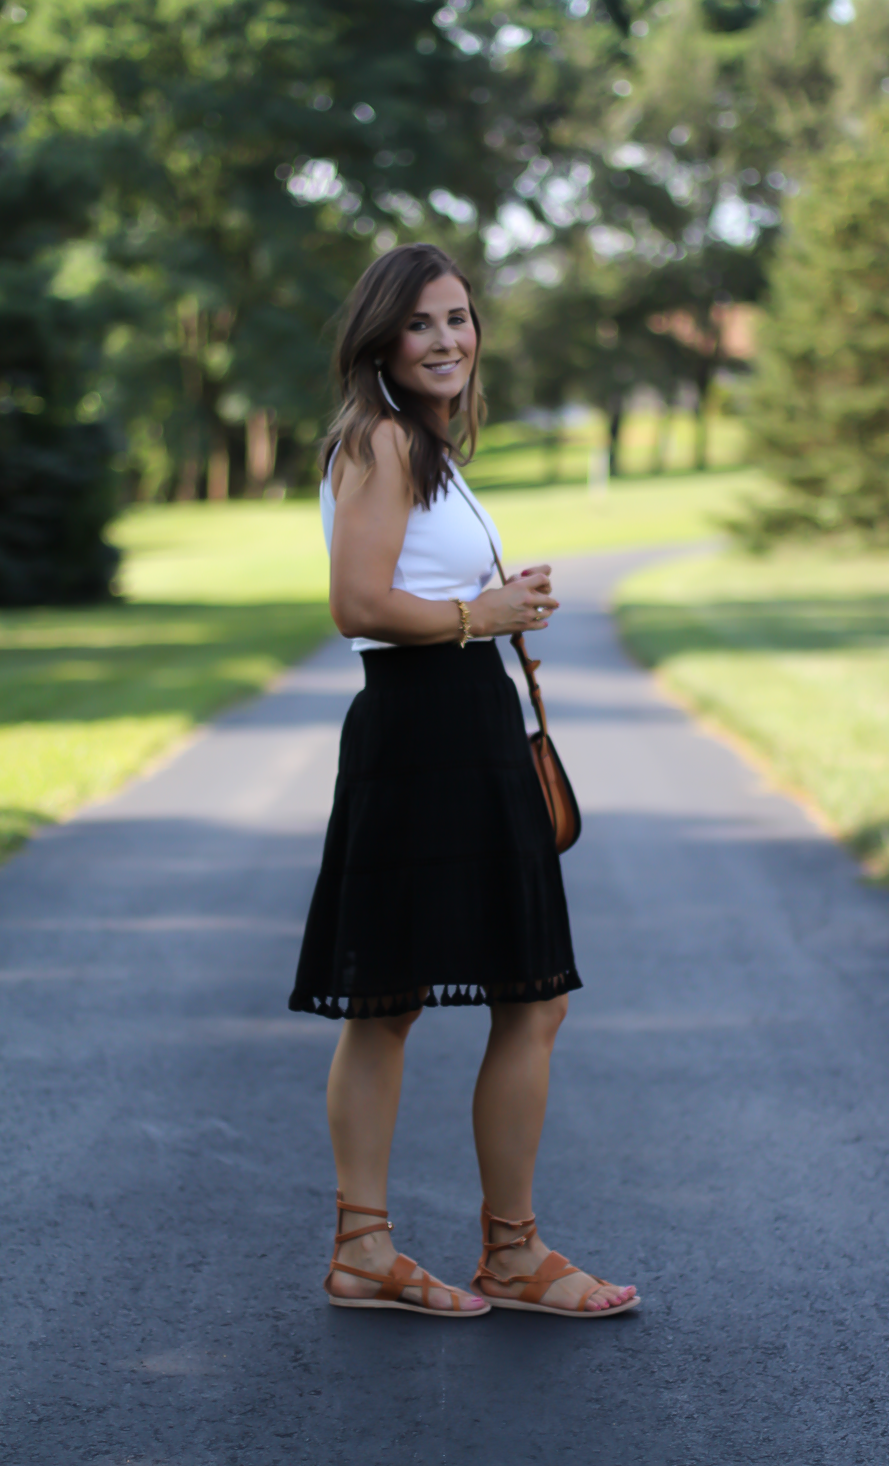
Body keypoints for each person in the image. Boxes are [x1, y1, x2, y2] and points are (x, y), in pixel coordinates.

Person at [289, 243, 638, 1319]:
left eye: (459, 319)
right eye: (422, 323)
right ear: (382, 341)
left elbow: (413, 584)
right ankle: (435, 1250)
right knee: (431, 997)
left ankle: (474, 1249)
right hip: (422, 726)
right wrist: (473, 617)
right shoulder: (382, 439)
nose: (447, 339)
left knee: (509, 995)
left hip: (463, 719)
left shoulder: (427, 449)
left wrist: (498, 599)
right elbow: (354, 602)